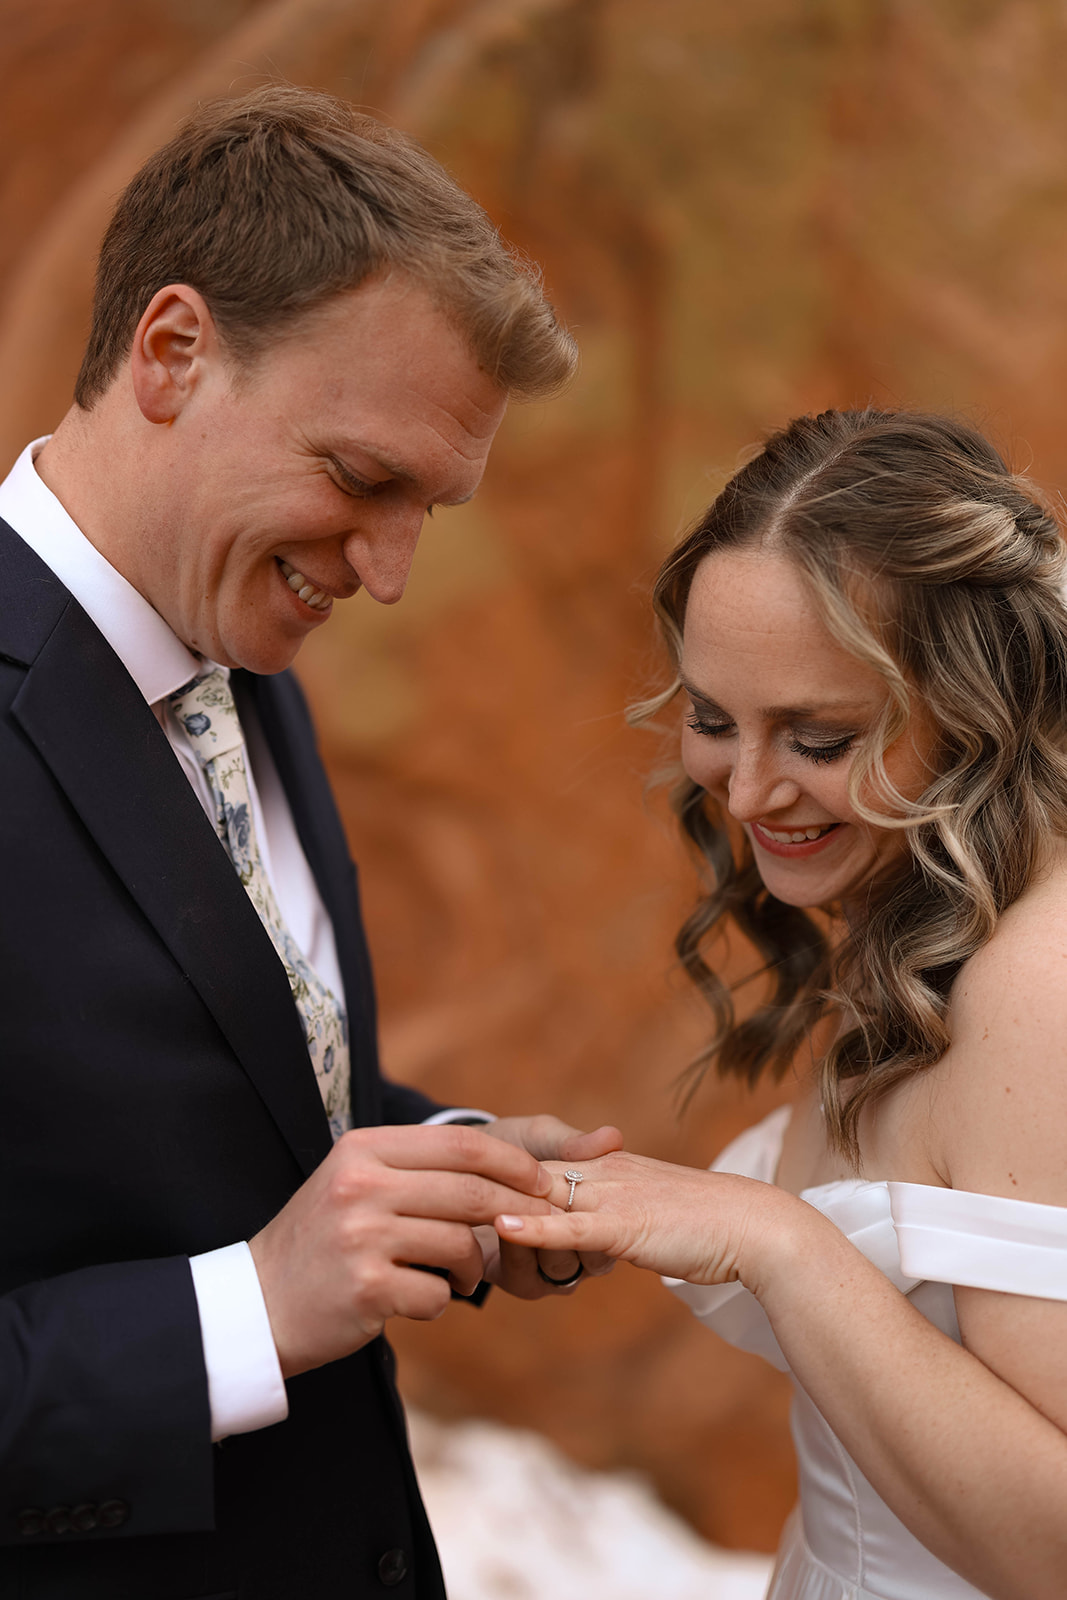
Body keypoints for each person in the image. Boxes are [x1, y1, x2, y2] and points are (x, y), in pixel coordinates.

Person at [0, 85, 619, 1599]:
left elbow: (243, 1098)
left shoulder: (235, 655)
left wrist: (449, 1165)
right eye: (361, 479)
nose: (389, 572)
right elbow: (249, 1260)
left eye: (431, 507)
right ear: (172, 354)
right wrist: (250, 1310)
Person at [497, 409, 1067, 1600]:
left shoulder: (1033, 986)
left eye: (816, 736)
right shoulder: (917, 924)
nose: (747, 791)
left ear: (975, 708)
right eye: (711, 719)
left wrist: (777, 1244)